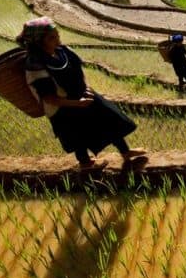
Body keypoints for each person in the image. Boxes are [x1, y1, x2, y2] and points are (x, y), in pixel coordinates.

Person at [18, 17, 146, 168]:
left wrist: (87, 88)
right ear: (39, 42)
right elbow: (49, 98)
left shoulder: (62, 51)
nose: (57, 39)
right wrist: (77, 104)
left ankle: (125, 152)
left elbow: (79, 70)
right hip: (63, 107)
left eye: (57, 34)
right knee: (77, 135)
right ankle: (85, 163)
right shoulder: (35, 65)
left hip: (82, 94)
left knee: (109, 118)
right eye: (51, 37)